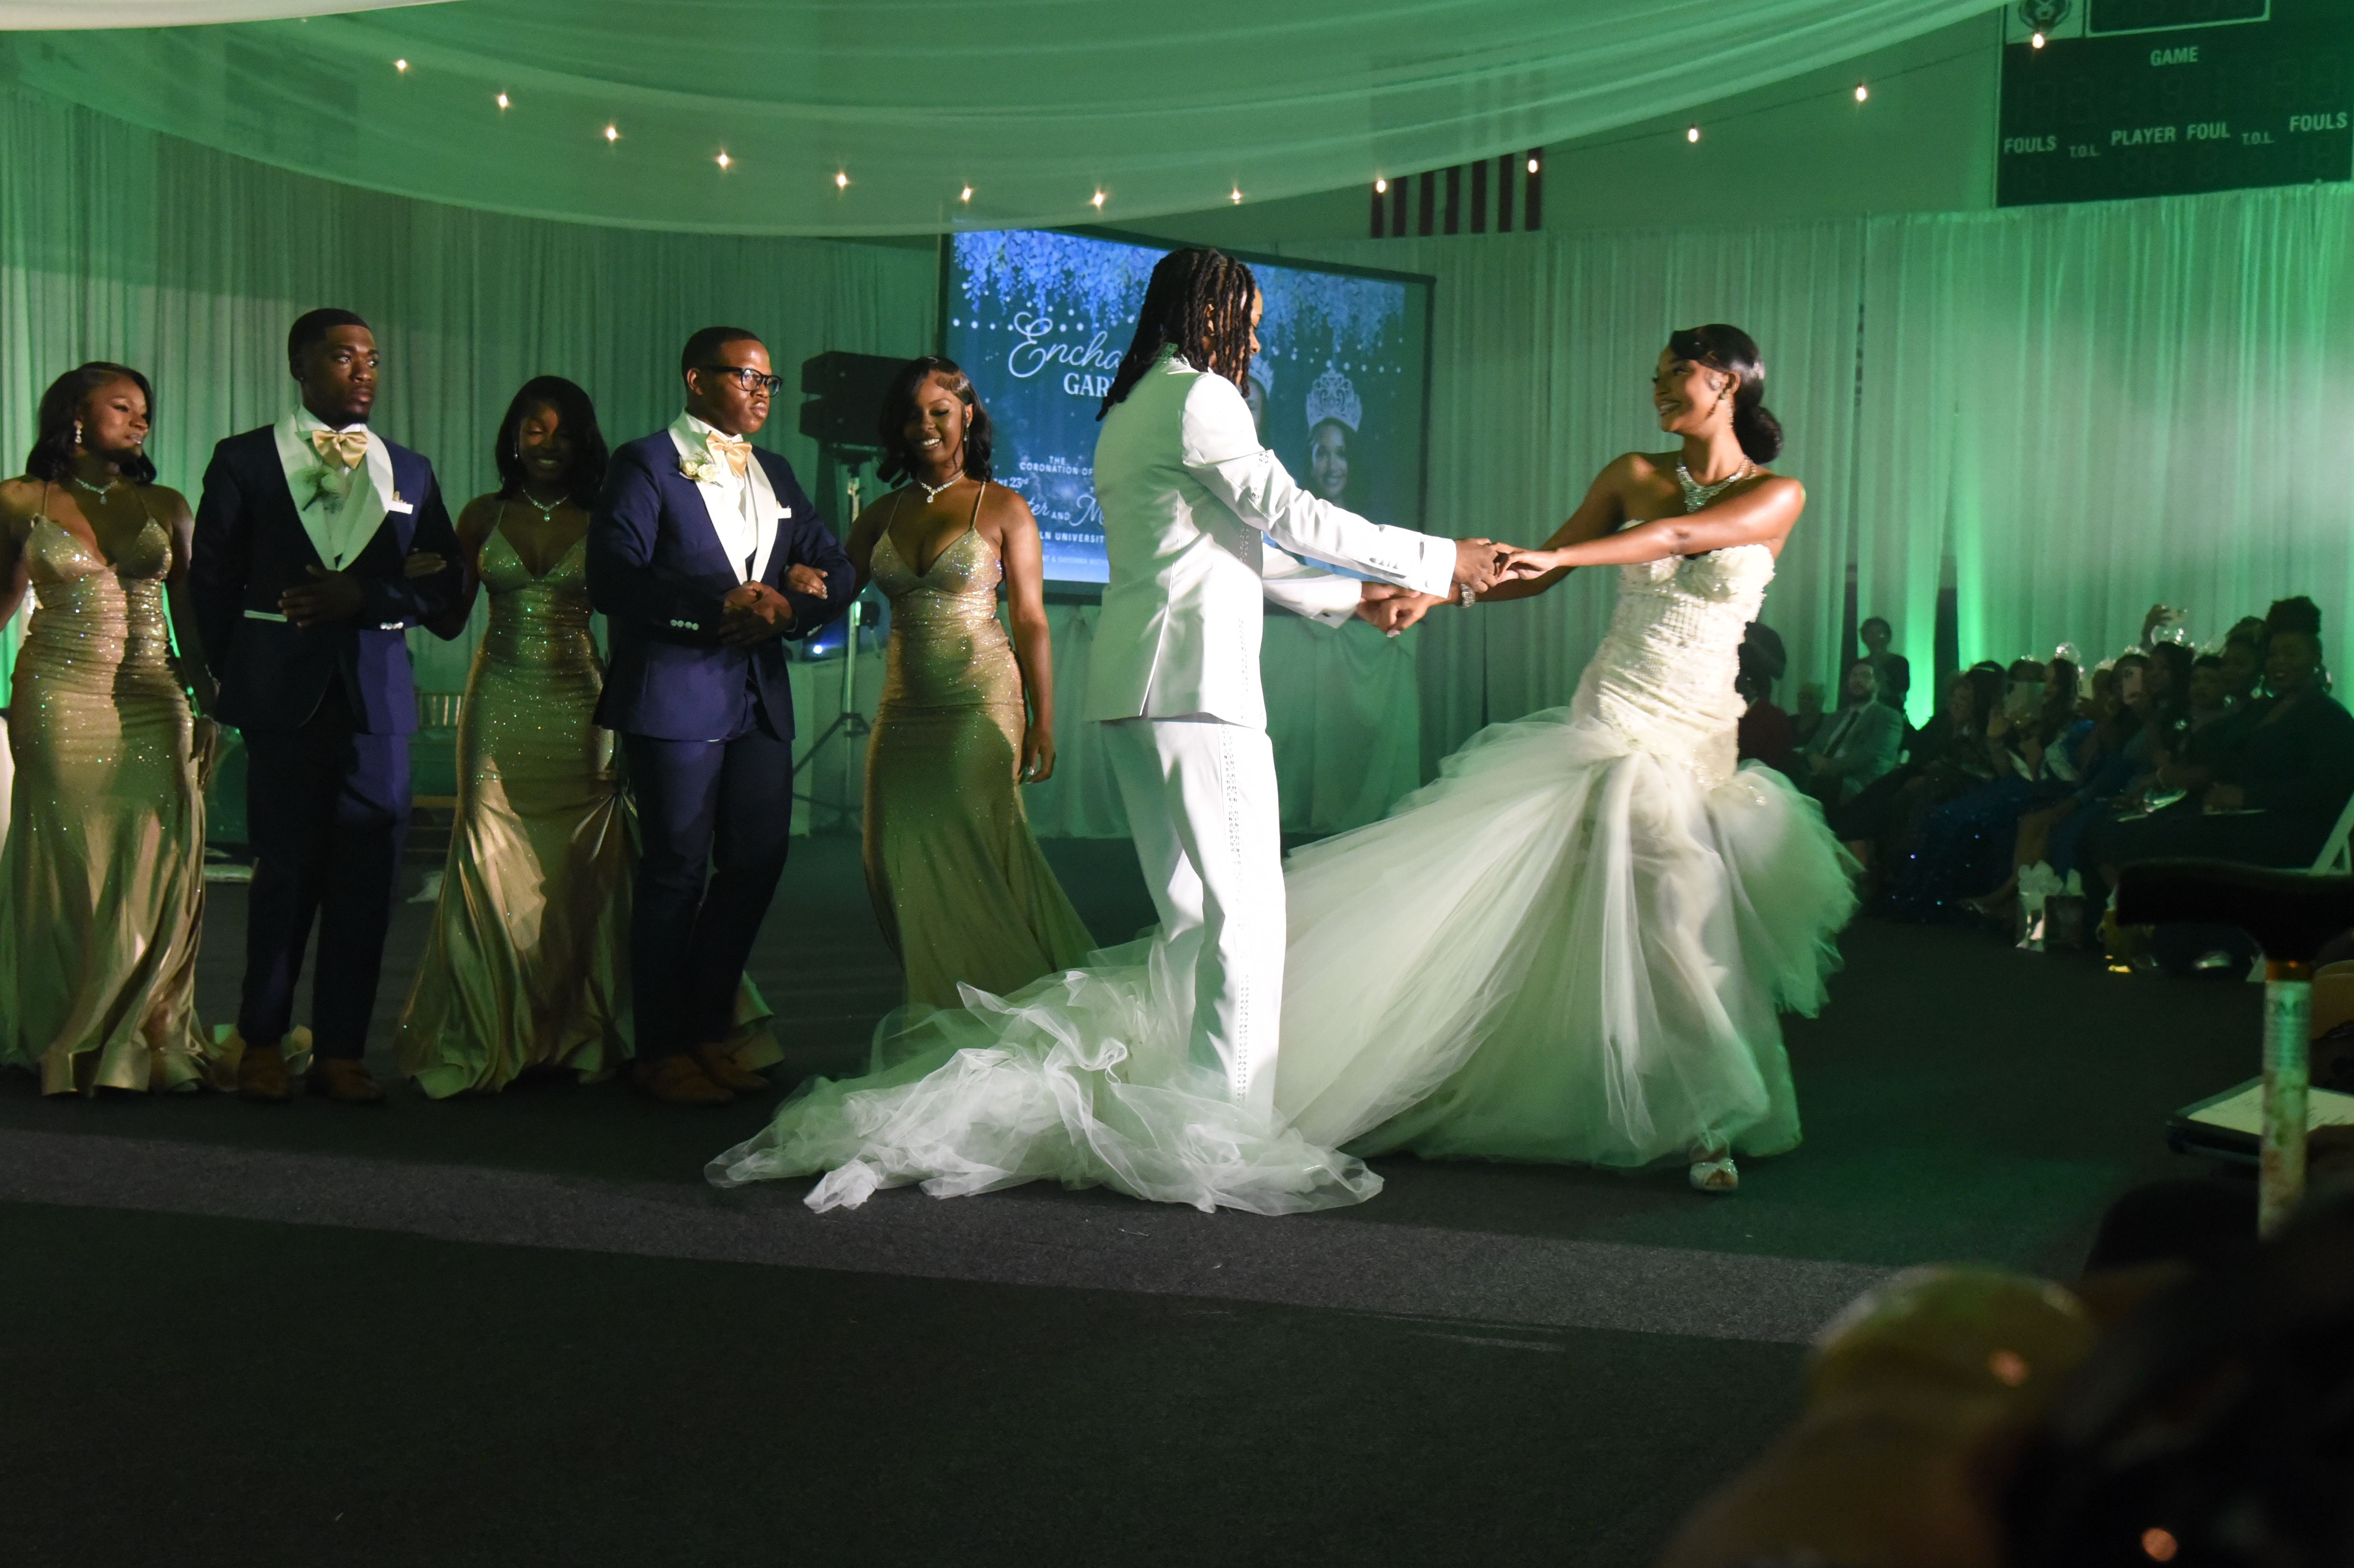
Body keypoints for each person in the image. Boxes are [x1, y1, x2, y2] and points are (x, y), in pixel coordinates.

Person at [709, 245, 1507, 1211]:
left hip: (1137, 691)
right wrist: (1435, 558)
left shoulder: (1130, 411)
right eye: (1245, 315)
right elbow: (1285, 510)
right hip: (1198, 690)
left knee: (1189, 918)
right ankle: (1229, 1134)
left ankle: (1190, 1102)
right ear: (1206, 311)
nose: (1254, 333)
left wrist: (1356, 596)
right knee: (1242, 920)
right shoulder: (1200, 398)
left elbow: (1227, 546)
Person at [1275, 321, 1852, 1193]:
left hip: (1699, 730)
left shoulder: (1778, 494)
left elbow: (1673, 542)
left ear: (1730, 384)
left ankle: (1682, 1102)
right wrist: (1437, 587)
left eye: (1678, 375)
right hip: (1616, 714)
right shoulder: (1631, 475)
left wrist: (1566, 553)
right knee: (1663, 897)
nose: (1659, 389)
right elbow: (1538, 572)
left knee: (1669, 913)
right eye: (1654, 375)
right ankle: (1710, 1117)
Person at [393, 377, 771, 1095]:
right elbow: (448, 620)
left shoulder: (607, 517)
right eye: (535, 429)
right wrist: (426, 574)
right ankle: (493, 1027)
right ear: (513, 435)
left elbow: (632, 624)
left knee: (583, 869)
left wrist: (637, 722)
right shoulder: (480, 515)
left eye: (564, 432)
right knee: (490, 857)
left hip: (582, 702)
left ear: (584, 444)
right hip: (499, 700)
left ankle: (578, 1027)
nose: (549, 443)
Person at [189, 309, 463, 1104]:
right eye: (345, 358)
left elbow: (443, 582)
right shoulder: (244, 459)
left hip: (377, 701)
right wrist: (231, 677)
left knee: (368, 882)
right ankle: (263, 1040)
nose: (365, 371)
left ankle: (344, 1049)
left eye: (373, 358)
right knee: (284, 876)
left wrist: (369, 595)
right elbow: (212, 578)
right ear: (299, 366)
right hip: (283, 699)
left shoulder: (407, 469)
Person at [588, 326, 855, 1106]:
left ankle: (709, 1031)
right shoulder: (644, 463)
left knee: (757, 862)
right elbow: (612, 579)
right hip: (673, 691)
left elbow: (835, 567)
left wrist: (790, 601)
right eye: (746, 377)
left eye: (770, 380)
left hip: (757, 697)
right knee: (673, 871)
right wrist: (716, 607)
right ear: (695, 380)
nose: (763, 392)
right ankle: (660, 1048)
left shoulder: (772, 469)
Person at [842, 357, 1094, 1010]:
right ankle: (942, 1003)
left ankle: (1003, 1009)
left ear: (967, 417)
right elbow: (827, 591)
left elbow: (1032, 621)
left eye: (939, 412)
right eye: (912, 414)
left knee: (975, 855)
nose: (925, 426)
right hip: (903, 712)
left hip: (980, 704)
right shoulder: (879, 514)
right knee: (888, 862)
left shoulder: (1005, 507)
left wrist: (1044, 718)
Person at [0, 364, 217, 1095]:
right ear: (75, 417)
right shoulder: (21, 501)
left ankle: (140, 1027)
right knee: (70, 863)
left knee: (155, 859)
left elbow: (187, 607)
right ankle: (64, 1024)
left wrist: (207, 687)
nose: (141, 420)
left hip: (154, 693)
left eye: (145, 410)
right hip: (59, 694)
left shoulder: (165, 503)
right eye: (122, 407)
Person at [1792, 657, 1903, 808]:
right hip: (1819, 779)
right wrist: (1812, 758)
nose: (1858, 681)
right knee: (1788, 765)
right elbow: (1812, 748)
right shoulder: (1835, 717)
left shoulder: (1888, 717)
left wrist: (1828, 767)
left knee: (1812, 786)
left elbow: (1871, 756)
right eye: (1853, 676)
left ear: (1878, 684)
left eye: (1865, 676)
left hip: (1857, 785)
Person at [1735, 621, 1793, 772]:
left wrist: (1752, 643)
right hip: (1725, 696)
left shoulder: (1766, 634)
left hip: (1758, 701)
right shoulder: (1724, 624)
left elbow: (1779, 670)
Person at [1303, 362, 1358, 505]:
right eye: (1322, 454)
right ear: (1311, 462)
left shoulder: (1367, 525)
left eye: (1341, 454)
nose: (1332, 467)